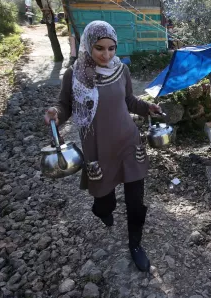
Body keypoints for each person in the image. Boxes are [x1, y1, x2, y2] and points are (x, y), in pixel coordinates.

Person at [44, 20, 161, 272]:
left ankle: (136, 245)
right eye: (99, 48)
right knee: (104, 203)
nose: (106, 55)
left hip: (129, 143)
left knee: (136, 201)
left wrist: (146, 107)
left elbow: (129, 100)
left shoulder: (121, 70)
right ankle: (102, 209)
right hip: (98, 151)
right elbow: (64, 106)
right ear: (88, 45)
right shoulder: (74, 75)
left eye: (111, 48)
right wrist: (56, 112)